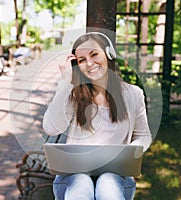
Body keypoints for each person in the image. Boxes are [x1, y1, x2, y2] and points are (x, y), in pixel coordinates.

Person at [42, 32, 152, 200]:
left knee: (107, 183)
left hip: (117, 177)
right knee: (82, 182)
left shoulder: (133, 94)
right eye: (82, 60)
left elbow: (143, 135)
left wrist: (131, 152)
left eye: (94, 54)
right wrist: (65, 84)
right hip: (72, 177)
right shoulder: (73, 95)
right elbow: (50, 128)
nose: (90, 63)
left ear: (109, 54)